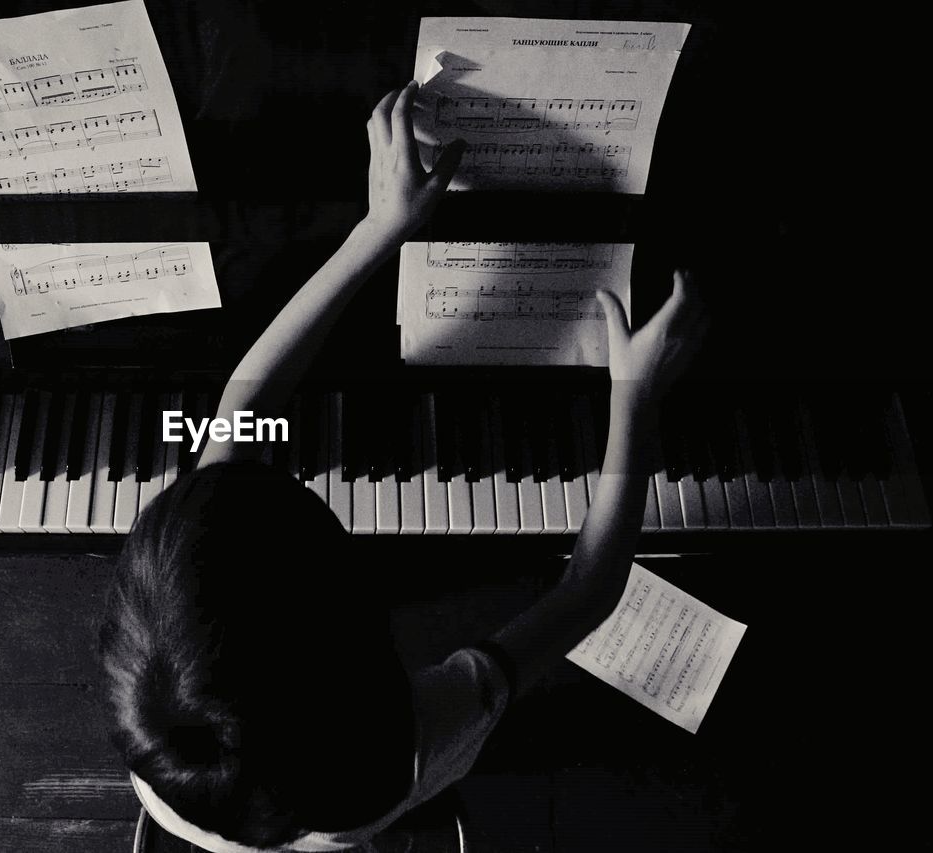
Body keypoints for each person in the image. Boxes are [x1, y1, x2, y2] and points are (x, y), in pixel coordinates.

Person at [100, 80, 708, 852]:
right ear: (364, 640)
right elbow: (589, 588)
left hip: (221, 821)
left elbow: (241, 404)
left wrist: (378, 229)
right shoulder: (424, 731)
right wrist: (635, 400)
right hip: (373, 809)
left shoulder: (158, 732)